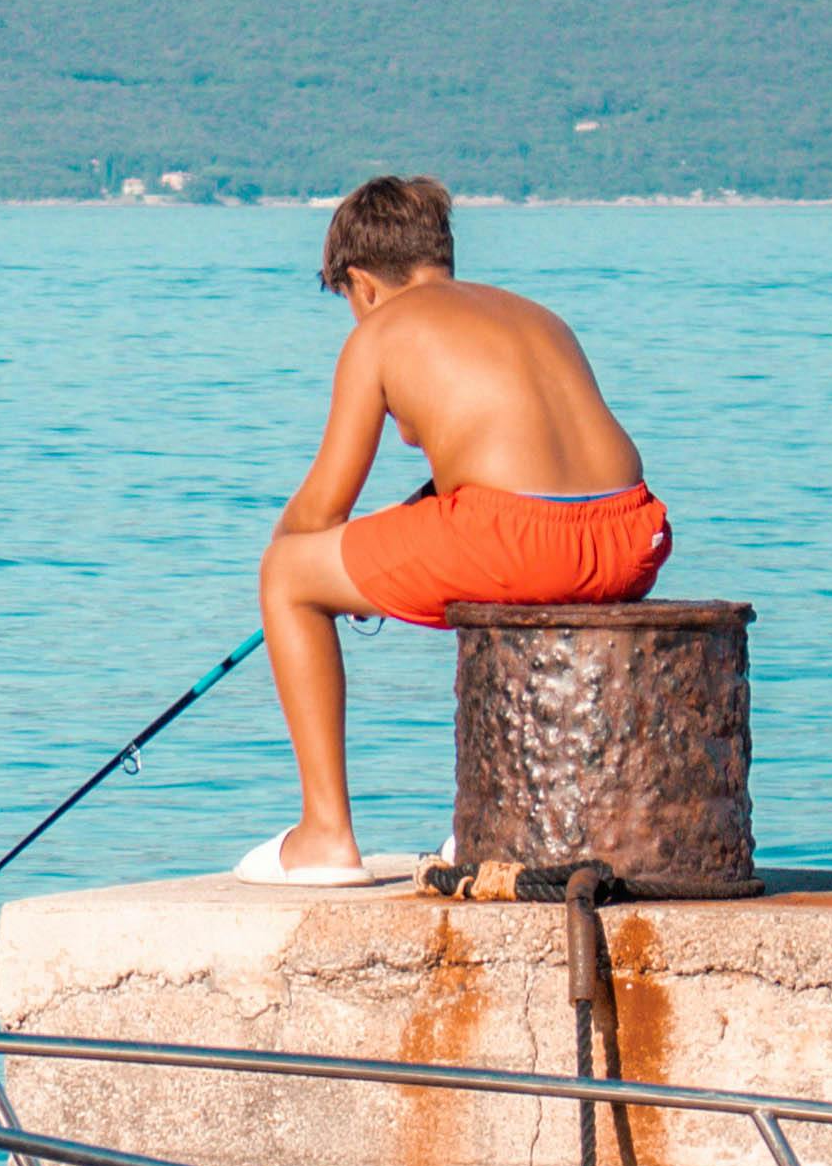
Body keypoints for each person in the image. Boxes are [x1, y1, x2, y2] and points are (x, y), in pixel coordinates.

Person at [241, 174, 667, 887]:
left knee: (286, 576)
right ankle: (508, 814)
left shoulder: (379, 332)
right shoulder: (536, 317)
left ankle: (323, 836)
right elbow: (533, 471)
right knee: (471, 549)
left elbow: (320, 513)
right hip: (630, 535)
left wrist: (307, 568)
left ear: (360, 283)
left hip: (516, 542)